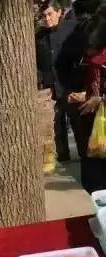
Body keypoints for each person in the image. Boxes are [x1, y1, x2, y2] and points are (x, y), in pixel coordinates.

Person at [57, 0, 106, 192]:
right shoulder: (84, 39)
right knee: (93, 174)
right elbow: (63, 65)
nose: (88, 54)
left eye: (92, 49)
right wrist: (74, 92)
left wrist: (100, 99)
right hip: (91, 125)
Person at [36, 1, 76, 161]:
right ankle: (62, 155)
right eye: (44, 15)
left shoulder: (70, 30)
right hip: (51, 86)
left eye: (50, 14)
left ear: (59, 12)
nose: (47, 18)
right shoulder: (40, 36)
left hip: (69, 84)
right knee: (57, 123)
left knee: (76, 121)